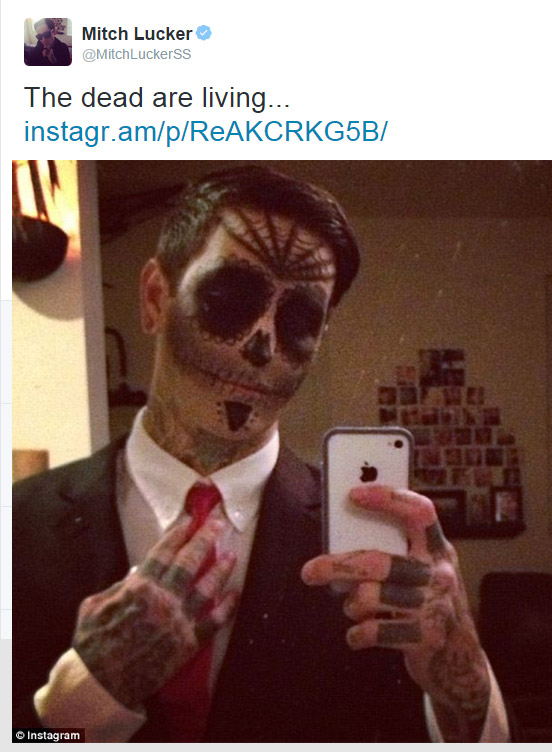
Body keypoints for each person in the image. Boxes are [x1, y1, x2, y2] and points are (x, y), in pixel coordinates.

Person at [13, 166, 511, 742]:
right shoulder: (17, 527)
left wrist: (461, 676)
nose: (263, 346)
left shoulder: (380, 545)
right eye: (229, 298)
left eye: (299, 318)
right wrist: (82, 701)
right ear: (154, 299)